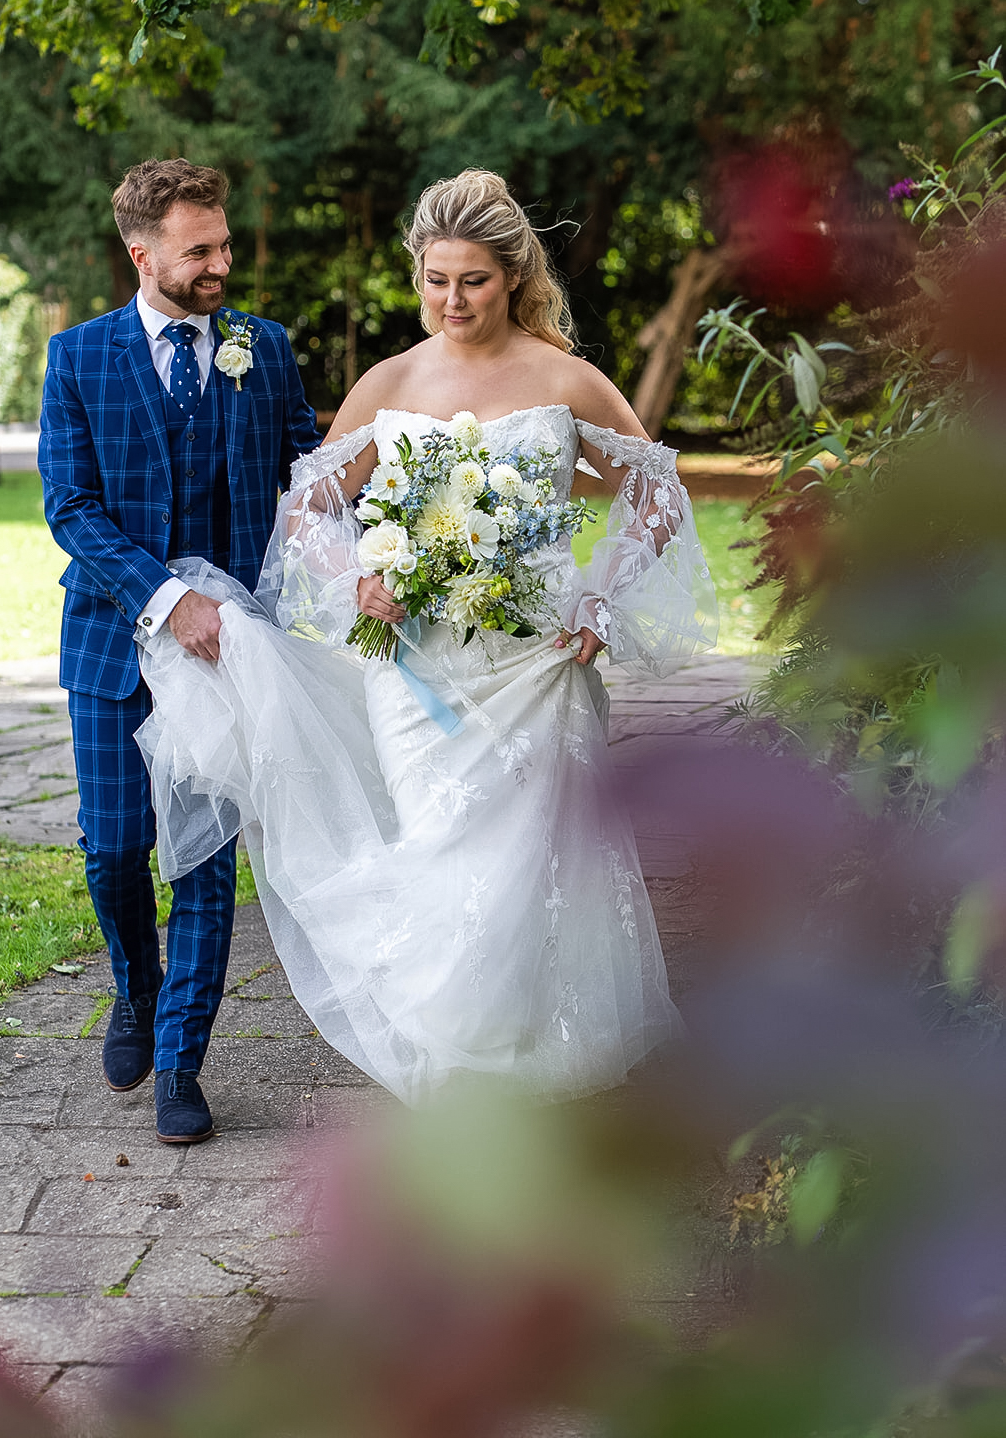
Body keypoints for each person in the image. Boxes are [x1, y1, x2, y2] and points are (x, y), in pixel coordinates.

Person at [137, 168, 717, 1105]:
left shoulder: (563, 379)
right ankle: (457, 1068)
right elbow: (309, 512)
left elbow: (655, 492)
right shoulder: (391, 381)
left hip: (536, 660)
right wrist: (356, 579)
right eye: (436, 279)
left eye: (474, 281)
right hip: (415, 672)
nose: (452, 300)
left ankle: (538, 1063)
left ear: (512, 276)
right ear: (418, 275)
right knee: (445, 850)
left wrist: (598, 599)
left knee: (541, 860)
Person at [38, 158, 320, 1143]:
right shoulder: (77, 359)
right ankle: (135, 984)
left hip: (228, 654)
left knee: (204, 862)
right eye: (199, 250)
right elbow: (70, 508)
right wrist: (166, 597)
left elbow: (308, 480)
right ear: (142, 252)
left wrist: (383, 546)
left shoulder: (263, 349)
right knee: (117, 854)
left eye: (224, 244)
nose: (220, 264)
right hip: (116, 644)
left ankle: (177, 1059)